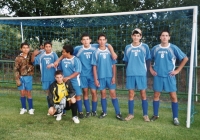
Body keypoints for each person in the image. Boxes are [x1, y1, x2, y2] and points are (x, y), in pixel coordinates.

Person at [54, 33, 117, 118]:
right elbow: (66, 52)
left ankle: (94, 111)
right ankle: (87, 111)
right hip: (83, 75)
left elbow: (107, 44)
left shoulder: (95, 47)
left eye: (87, 39)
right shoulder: (78, 49)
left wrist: (112, 52)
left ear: (90, 40)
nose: (85, 41)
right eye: (83, 39)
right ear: (81, 41)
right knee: (85, 92)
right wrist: (58, 60)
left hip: (93, 75)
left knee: (94, 92)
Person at [149, 30, 188, 126]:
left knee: (173, 96)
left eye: (166, 35)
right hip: (158, 76)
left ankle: (175, 117)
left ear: (169, 37)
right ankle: (155, 115)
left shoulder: (173, 48)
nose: (165, 37)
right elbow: (147, 59)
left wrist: (177, 70)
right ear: (160, 37)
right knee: (156, 95)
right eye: (163, 35)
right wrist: (150, 69)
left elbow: (185, 58)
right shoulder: (155, 48)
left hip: (169, 76)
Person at [91, 33, 124, 120]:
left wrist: (114, 77)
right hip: (100, 77)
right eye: (100, 40)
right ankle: (104, 112)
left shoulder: (110, 52)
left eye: (103, 40)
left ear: (106, 41)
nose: (102, 41)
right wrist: (96, 79)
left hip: (109, 77)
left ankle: (118, 113)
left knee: (113, 93)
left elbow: (114, 65)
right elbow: (94, 67)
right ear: (98, 41)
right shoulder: (96, 52)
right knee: (103, 94)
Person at [123, 28, 151, 122]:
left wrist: (146, 72)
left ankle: (145, 115)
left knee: (143, 94)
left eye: (138, 35)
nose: (136, 37)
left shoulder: (145, 47)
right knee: (131, 94)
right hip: (131, 74)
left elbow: (148, 60)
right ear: (132, 36)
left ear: (140, 37)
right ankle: (130, 114)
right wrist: (128, 70)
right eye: (134, 35)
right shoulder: (128, 47)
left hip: (141, 73)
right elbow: (126, 61)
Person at [31, 41, 58, 114]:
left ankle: (57, 109)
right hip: (45, 78)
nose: (48, 48)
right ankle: (50, 109)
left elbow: (58, 63)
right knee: (48, 94)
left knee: (55, 93)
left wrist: (52, 64)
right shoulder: (41, 55)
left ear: (51, 47)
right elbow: (33, 61)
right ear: (44, 47)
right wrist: (33, 54)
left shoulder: (54, 54)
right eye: (46, 46)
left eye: (49, 46)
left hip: (53, 77)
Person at [58, 44, 83, 118]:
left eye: (63, 52)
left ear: (68, 52)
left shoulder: (76, 60)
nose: (62, 53)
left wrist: (68, 77)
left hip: (75, 81)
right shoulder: (62, 61)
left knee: (77, 96)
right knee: (64, 96)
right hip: (65, 82)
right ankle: (62, 111)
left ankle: (80, 112)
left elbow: (77, 72)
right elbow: (61, 71)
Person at [14, 42, 35, 115]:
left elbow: (38, 52)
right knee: (22, 92)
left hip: (28, 77)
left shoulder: (31, 56)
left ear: (29, 48)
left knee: (28, 92)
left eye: (27, 47)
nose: (25, 49)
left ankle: (31, 108)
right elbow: (16, 69)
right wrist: (17, 78)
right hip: (21, 77)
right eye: (24, 47)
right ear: (21, 49)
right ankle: (23, 108)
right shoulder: (18, 58)